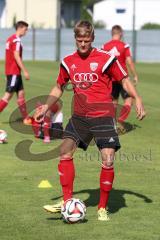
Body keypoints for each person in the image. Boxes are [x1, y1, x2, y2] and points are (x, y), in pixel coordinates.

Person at [34, 20, 145, 221]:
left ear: (92, 38)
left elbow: (124, 80)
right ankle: (67, 201)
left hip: (102, 117)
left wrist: (137, 98)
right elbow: (58, 86)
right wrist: (46, 106)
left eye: (86, 40)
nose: (83, 44)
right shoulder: (68, 61)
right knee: (64, 151)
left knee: (108, 159)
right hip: (79, 117)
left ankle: (102, 207)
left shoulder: (107, 58)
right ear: (75, 39)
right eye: (79, 40)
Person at [101, 25, 139, 132]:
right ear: (121, 33)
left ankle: (114, 124)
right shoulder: (124, 46)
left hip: (110, 79)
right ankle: (121, 121)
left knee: (114, 102)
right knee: (128, 99)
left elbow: (101, 63)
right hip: (123, 79)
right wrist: (135, 75)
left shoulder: (105, 47)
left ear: (112, 33)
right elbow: (129, 61)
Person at [0, 21, 31, 125]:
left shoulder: (10, 39)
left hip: (12, 72)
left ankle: (26, 118)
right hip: (14, 72)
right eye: (25, 29)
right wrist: (25, 71)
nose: (26, 31)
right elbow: (16, 56)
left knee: (21, 94)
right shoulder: (16, 41)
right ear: (20, 28)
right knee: (7, 96)